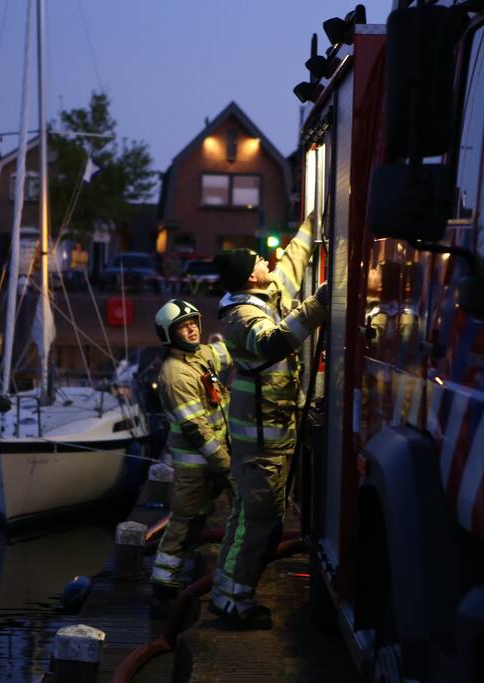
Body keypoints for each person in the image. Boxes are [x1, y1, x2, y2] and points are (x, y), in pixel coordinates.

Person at [209, 214, 328, 629]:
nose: (267, 261)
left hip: (268, 435)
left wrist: (313, 225)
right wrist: (323, 303)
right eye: (260, 260)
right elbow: (273, 342)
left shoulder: (262, 295)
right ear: (248, 278)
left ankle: (227, 594)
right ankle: (234, 603)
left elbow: (292, 264)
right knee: (260, 519)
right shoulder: (243, 318)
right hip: (261, 440)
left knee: (249, 516)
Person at [149, 298, 238, 619]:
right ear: (168, 335)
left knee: (197, 521)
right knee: (183, 525)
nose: (192, 328)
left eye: (194, 322)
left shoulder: (199, 355)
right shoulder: (175, 375)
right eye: (183, 326)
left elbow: (227, 353)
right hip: (198, 468)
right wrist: (228, 465)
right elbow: (197, 430)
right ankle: (162, 593)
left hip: (212, 463)